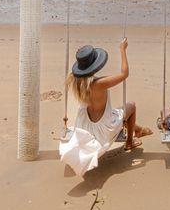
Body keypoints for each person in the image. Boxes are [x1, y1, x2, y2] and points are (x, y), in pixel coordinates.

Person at [59, 38, 151, 175]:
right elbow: (124, 74)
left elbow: (77, 73)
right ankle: (129, 142)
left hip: (86, 126)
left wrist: (80, 59)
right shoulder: (99, 84)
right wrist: (122, 50)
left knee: (117, 111)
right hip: (104, 128)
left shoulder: (76, 82)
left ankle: (139, 130)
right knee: (131, 105)